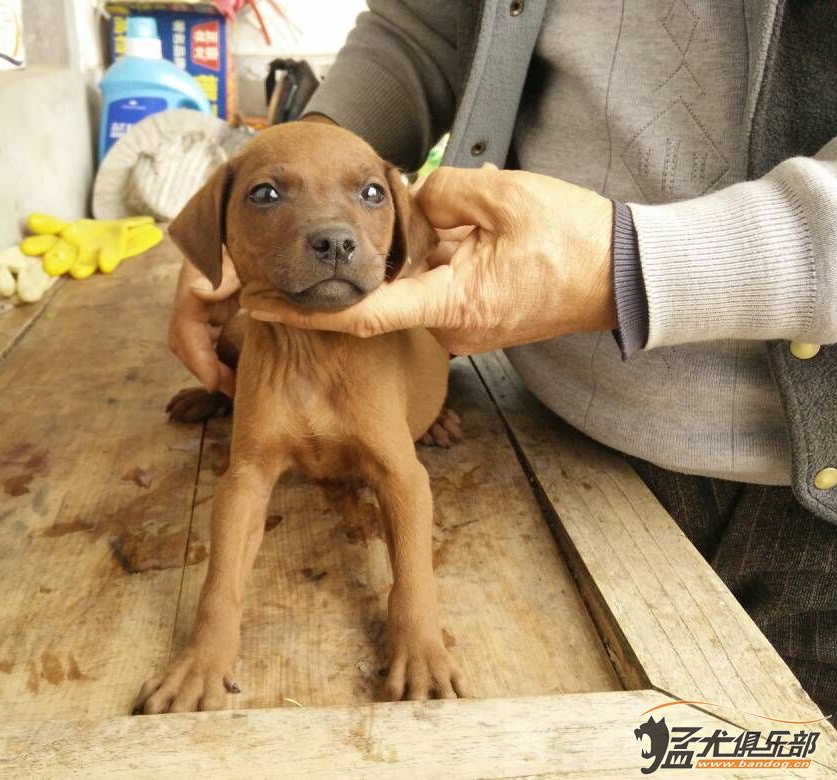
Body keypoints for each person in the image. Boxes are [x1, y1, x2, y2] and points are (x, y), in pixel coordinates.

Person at [168, 1, 837, 713]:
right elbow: (420, 26)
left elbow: (404, 480)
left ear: (404, 237)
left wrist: (626, 262)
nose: (332, 234)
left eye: (369, 196)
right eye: (267, 196)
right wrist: (313, 142)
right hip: (554, 435)